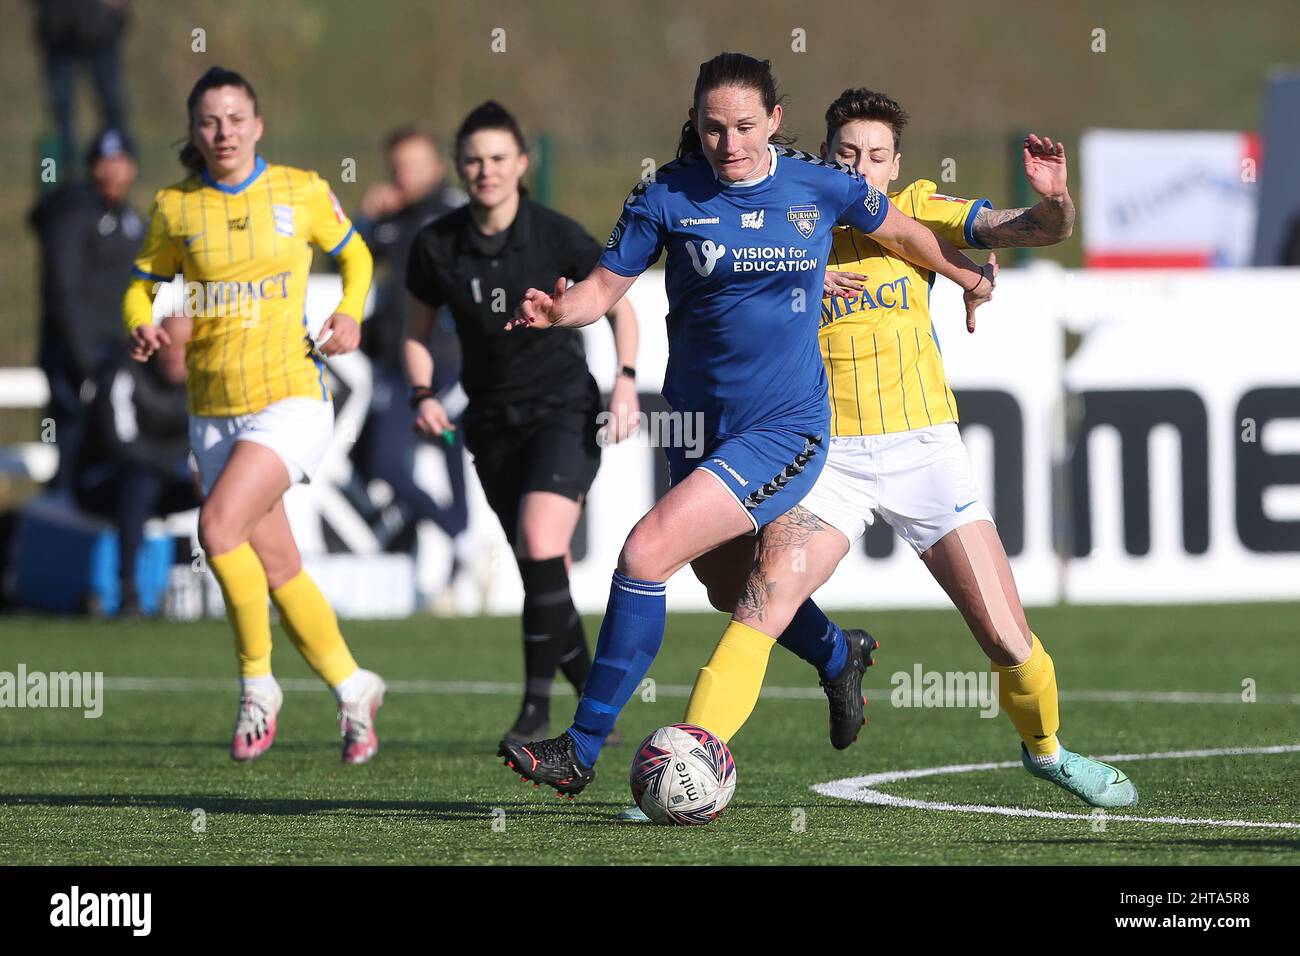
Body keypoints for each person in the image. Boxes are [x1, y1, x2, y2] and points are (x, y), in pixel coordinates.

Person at [497, 54, 994, 797]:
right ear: (695, 122)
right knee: (728, 586)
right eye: (712, 127)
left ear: (775, 122)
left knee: (644, 553)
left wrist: (967, 275)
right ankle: (837, 654)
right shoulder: (666, 193)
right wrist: (556, 311)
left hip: (785, 427)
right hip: (697, 421)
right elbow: (601, 289)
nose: (727, 143)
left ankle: (582, 746)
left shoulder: (819, 185)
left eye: (742, 127)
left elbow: (904, 233)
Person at [679, 87, 1137, 809]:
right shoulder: (787, 220)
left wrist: (1055, 202)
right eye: (847, 154)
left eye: (877, 156)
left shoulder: (917, 209)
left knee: (1006, 637)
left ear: (897, 165)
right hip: (827, 458)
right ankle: (687, 767)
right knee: (759, 608)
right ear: (823, 156)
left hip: (925, 454)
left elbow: (1033, 231)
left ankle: (1047, 753)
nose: (861, 168)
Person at [122, 66, 386, 764]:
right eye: (210, 121)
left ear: (258, 125)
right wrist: (141, 323)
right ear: (194, 132)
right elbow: (141, 287)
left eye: (236, 118)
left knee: (216, 528)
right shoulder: (174, 207)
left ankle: (257, 686)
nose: (224, 132)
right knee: (277, 565)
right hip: (212, 411)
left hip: (291, 396)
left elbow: (356, 257)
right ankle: (354, 685)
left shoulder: (299, 190)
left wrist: (351, 313)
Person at [405, 101, 640, 743]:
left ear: (522, 163)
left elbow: (621, 307)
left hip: (564, 408)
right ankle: (597, 701)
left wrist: (625, 381)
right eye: (475, 159)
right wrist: (422, 391)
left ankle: (535, 712)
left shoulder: (556, 234)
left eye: (499, 158)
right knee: (542, 566)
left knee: (540, 545)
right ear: (461, 164)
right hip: (490, 422)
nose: (486, 171)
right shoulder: (435, 245)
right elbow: (416, 330)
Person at [352, 126, 471, 569]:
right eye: (398, 167)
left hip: (448, 362)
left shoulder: (456, 211)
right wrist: (365, 220)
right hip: (401, 366)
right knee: (379, 461)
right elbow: (346, 261)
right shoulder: (389, 219)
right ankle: (456, 535)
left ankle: (463, 547)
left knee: (450, 451)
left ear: (437, 167)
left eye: (415, 166)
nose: (405, 176)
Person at [30, 128, 143, 495]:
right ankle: (62, 506)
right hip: (76, 354)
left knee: (109, 439)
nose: (111, 171)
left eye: (119, 162)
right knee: (70, 432)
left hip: (116, 353)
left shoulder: (132, 221)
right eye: (103, 162)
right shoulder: (74, 213)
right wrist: (85, 358)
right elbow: (65, 291)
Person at [76, 314, 198, 617]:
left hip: (169, 483)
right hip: (104, 483)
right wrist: (180, 468)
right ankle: (128, 591)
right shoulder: (123, 373)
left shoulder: (206, 381)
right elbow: (123, 447)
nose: (175, 355)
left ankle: (228, 588)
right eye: (169, 345)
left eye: (186, 347)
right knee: (140, 480)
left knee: (229, 486)